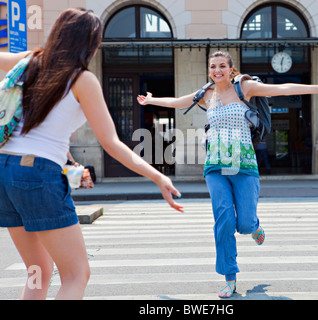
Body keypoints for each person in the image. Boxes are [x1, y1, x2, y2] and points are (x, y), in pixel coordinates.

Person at [0, 8, 183, 300]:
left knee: (38, 270)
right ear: (90, 43)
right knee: (76, 275)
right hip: (36, 173)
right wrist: (157, 175)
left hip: (3, 170)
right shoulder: (81, 80)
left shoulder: (29, 60)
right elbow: (111, 143)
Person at [137, 50, 318, 298]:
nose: (217, 70)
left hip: (243, 164)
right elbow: (179, 101)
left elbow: (282, 89)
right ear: (209, 70)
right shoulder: (206, 94)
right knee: (224, 221)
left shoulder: (245, 87)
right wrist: (151, 100)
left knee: (243, 223)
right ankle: (229, 279)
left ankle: (254, 227)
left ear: (231, 69)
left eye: (222, 66)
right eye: (213, 66)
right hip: (215, 166)